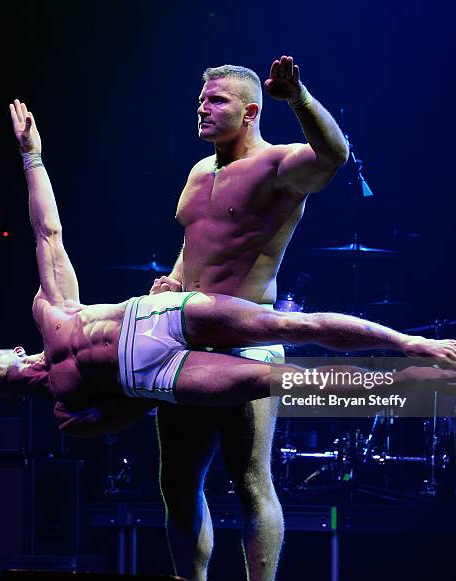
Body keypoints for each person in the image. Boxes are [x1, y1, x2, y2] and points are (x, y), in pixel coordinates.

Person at [0, 98, 456, 579]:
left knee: (285, 360)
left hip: (170, 320)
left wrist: (32, 157)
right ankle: (401, 384)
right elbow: (127, 404)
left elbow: (47, 232)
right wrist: (169, 289)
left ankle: (409, 345)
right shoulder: (66, 410)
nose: (201, 109)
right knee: (209, 454)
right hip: (160, 372)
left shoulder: (50, 311)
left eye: (214, 100)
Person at [144, 55, 355, 581]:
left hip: (245, 338)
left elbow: (335, 155)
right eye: (201, 100)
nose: (203, 109)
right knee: (177, 483)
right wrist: (172, 279)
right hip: (184, 338)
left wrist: (300, 99)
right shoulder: (199, 171)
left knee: (250, 481)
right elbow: (193, 246)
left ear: (251, 112)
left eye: (217, 101)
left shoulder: (278, 166)